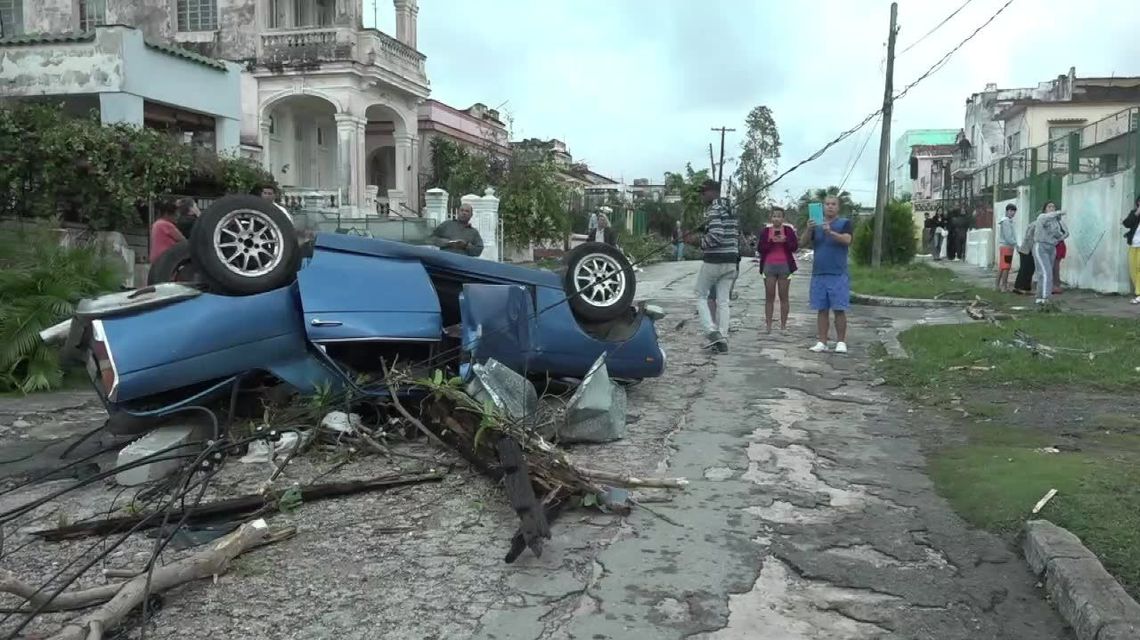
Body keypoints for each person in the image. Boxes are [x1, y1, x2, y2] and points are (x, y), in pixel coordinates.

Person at [691, 179, 739, 354]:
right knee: (724, 301)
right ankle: (723, 338)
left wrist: (699, 242)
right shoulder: (732, 208)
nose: (702, 196)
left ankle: (711, 331)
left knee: (700, 295)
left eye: (704, 193)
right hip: (731, 258)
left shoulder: (714, 209)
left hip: (715, 259)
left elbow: (716, 236)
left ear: (712, 192)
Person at [806, 195, 853, 354]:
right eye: (827, 204)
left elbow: (847, 240)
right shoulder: (816, 225)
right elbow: (801, 243)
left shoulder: (844, 223)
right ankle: (822, 341)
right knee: (821, 309)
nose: (830, 207)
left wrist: (831, 232)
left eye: (833, 204)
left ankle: (841, 341)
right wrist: (809, 229)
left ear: (838, 207)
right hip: (819, 273)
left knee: (839, 308)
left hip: (838, 273)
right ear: (823, 207)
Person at [757, 206, 798, 333]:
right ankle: (768, 326)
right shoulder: (766, 231)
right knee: (769, 296)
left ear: (783, 218)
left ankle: (783, 326)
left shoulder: (788, 230)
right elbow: (760, 248)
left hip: (784, 266)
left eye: (779, 216)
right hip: (769, 265)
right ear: (771, 218)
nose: (776, 219)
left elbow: (795, 247)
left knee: (783, 296)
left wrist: (785, 240)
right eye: (774, 216)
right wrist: (770, 241)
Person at [1032, 201, 1068, 305]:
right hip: (1041, 246)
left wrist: (1058, 239)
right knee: (1045, 272)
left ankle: (1039, 297)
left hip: (1052, 247)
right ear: (1045, 209)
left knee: (1046, 273)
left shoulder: (1055, 222)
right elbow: (1049, 216)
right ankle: (1045, 298)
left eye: (1053, 206)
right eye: (1049, 206)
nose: (1052, 208)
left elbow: (1065, 233)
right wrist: (1058, 212)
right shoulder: (1042, 217)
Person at [149, 198, 184, 263]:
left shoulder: (156, 224)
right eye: (175, 214)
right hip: (166, 258)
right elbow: (182, 240)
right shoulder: (166, 225)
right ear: (167, 214)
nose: (177, 217)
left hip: (155, 258)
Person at [1012, 217, 1038, 295]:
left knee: (1031, 269)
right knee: (1024, 269)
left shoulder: (1038, 224)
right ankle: (1018, 287)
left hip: (1031, 250)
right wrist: (1033, 247)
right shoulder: (1035, 224)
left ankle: (1026, 287)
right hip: (1026, 250)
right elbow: (1029, 237)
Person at [1122, 195, 1140, 304]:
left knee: (1139, 268)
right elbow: (1126, 224)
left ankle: (1139, 293)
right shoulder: (1134, 213)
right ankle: (1138, 291)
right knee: (1132, 269)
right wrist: (1137, 213)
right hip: (1133, 245)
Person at [996, 203, 1018, 292]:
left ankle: (997, 285)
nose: (1012, 213)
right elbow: (1008, 236)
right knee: (1006, 267)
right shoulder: (1006, 222)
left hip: (1004, 246)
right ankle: (1004, 286)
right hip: (1007, 247)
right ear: (1007, 211)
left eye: (1014, 211)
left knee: (1002, 267)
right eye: (1011, 211)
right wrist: (1015, 244)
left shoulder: (1006, 221)